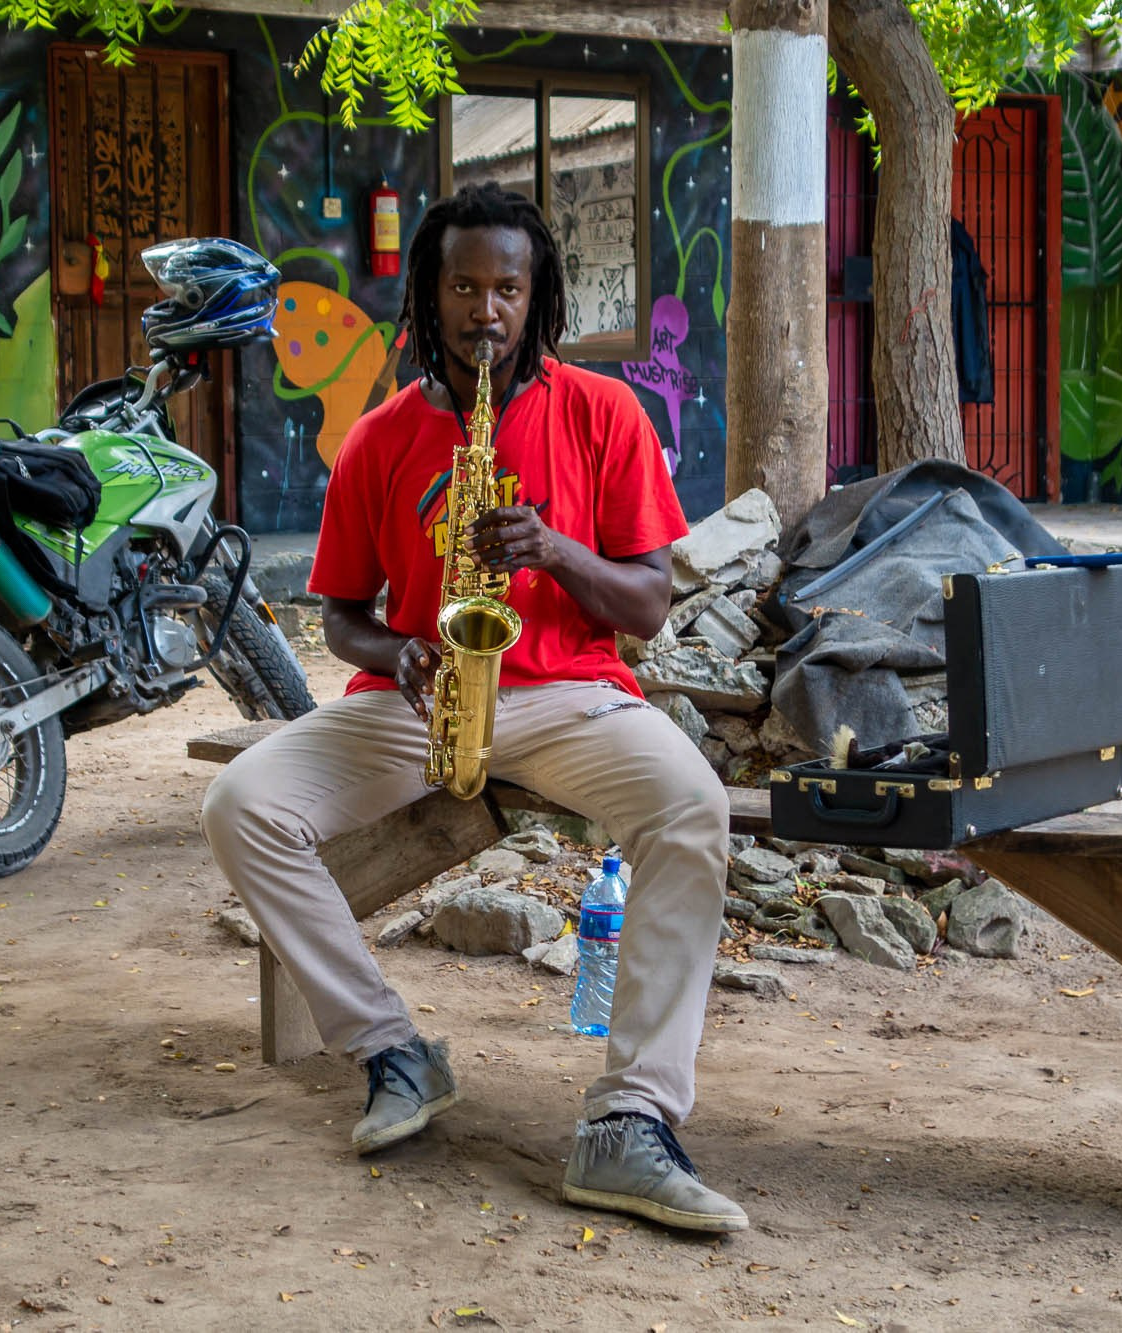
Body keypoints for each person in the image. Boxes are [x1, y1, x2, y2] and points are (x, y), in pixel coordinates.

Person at [200, 182, 745, 1234]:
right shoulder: (379, 436)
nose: (484, 311)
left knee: (693, 807)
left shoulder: (605, 412)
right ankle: (391, 1048)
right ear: (428, 294)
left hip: (572, 695)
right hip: (424, 696)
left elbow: (647, 604)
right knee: (241, 804)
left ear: (537, 298)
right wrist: (397, 650)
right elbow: (340, 618)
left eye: (506, 289)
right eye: (462, 287)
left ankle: (630, 1119)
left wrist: (554, 550)